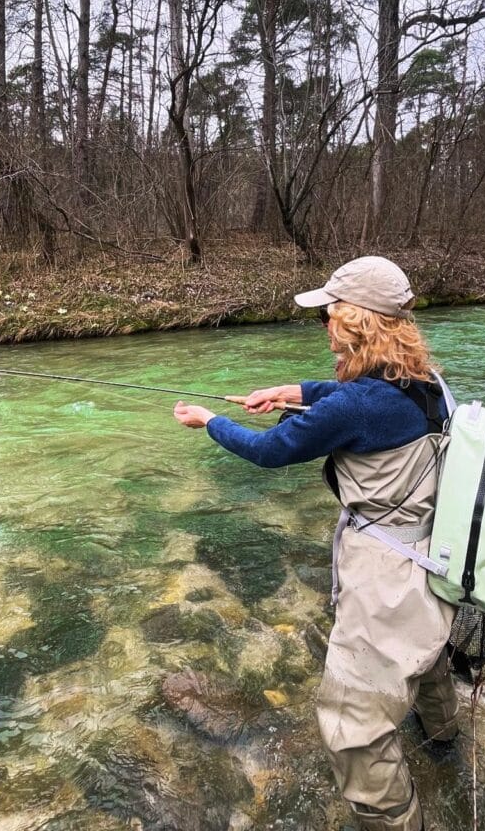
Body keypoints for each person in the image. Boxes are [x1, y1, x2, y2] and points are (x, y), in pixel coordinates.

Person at [173, 256, 459, 831]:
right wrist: (290, 391)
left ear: (355, 321)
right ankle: (447, 746)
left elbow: (270, 452)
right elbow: (356, 401)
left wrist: (211, 422)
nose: (324, 325)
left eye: (328, 315)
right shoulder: (427, 381)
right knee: (427, 662)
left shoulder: (357, 406)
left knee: (353, 727)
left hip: (387, 576)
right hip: (434, 555)